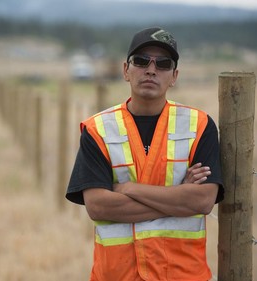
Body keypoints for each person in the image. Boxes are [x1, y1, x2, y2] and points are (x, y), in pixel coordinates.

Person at [66, 27, 224, 281]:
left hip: (182, 275)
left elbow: (202, 201)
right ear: (126, 70)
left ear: (174, 76)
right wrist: (179, 198)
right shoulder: (98, 130)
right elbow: (97, 206)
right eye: (141, 61)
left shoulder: (199, 125)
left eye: (163, 64)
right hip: (117, 275)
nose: (151, 69)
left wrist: (128, 189)